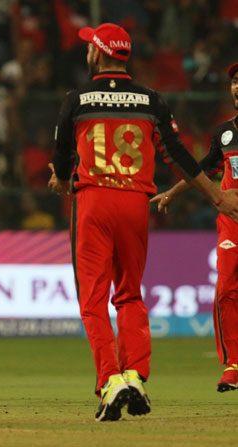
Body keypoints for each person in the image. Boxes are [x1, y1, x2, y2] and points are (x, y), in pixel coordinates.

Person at [48, 23, 238, 422]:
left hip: (94, 201)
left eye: (89, 48)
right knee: (130, 294)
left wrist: (63, 179)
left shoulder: (77, 99)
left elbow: (63, 155)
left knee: (93, 301)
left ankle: (110, 380)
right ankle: (135, 373)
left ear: (98, 53)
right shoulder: (151, 100)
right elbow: (178, 155)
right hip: (136, 202)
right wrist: (217, 195)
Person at [151, 63, 238, 393]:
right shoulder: (224, 133)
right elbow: (204, 170)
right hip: (232, 224)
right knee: (226, 289)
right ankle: (232, 366)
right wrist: (174, 191)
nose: (237, 88)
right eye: (234, 82)